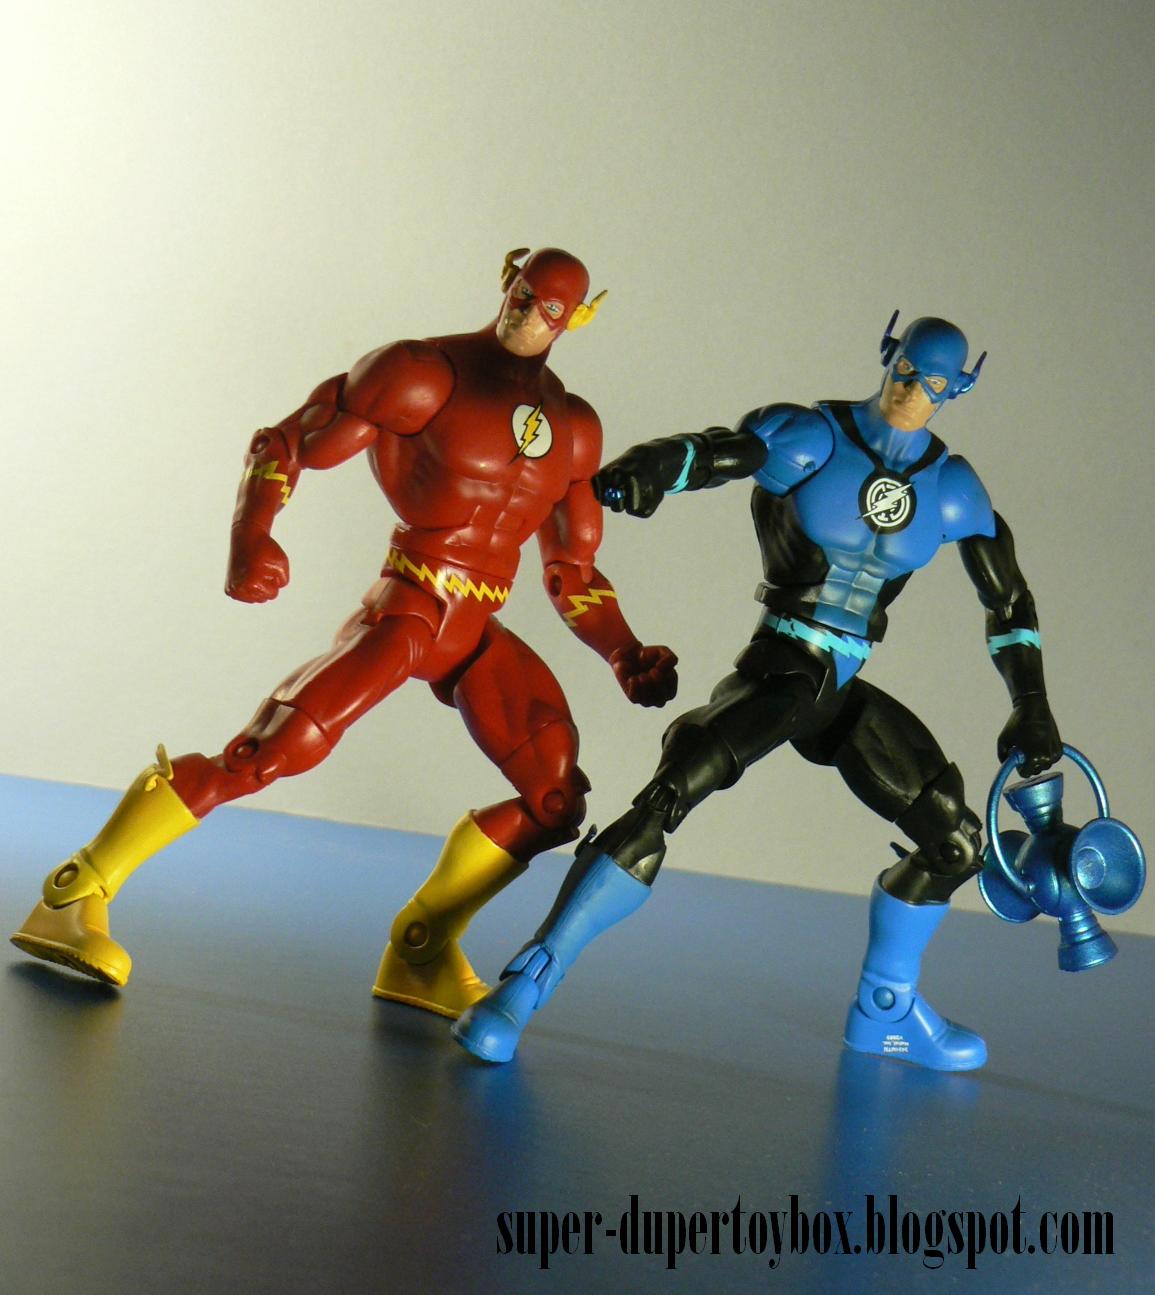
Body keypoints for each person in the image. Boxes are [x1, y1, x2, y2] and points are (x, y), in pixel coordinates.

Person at [10, 247, 677, 1017]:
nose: (526, 313)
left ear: (575, 320)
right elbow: (287, 442)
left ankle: (421, 947)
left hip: (473, 629)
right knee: (270, 750)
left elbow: (571, 569)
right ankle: (76, 890)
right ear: (507, 281)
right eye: (523, 294)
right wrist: (252, 535)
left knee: (554, 797)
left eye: (548, 308)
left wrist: (623, 649)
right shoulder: (423, 374)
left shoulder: (574, 428)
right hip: (411, 604)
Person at [453, 312, 1060, 1069]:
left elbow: (1008, 602)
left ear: (958, 388)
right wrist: (653, 467)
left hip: (840, 687)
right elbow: (721, 451)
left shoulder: (952, 489)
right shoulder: (815, 439)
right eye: (907, 370)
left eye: (934, 383)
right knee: (669, 794)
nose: (914, 391)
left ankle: (886, 1009)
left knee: (955, 842)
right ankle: (525, 985)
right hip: (783, 664)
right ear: (888, 356)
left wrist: (1030, 704)